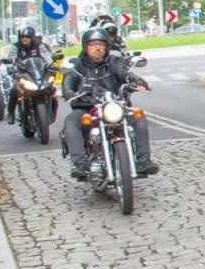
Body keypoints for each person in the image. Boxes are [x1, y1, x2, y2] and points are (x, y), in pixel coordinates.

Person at [61, 28, 158, 178]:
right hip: (87, 107)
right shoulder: (78, 65)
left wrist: (138, 82)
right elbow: (69, 80)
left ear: (107, 46)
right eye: (93, 45)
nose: (97, 48)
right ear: (85, 47)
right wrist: (69, 92)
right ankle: (80, 164)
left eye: (101, 44)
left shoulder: (114, 62)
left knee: (138, 116)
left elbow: (126, 74)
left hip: (114, 105)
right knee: (70, 121)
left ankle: (143, 161)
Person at [5, 26, 52, 124]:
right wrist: (10, 67)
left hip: (38, 73)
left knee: (51, 89)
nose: (24, 39)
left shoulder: (38, 45)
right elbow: (11, 57)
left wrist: (51, 64)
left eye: (27, 36)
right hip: (23, 73)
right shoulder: (15, 46)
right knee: (14, 90)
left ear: (32, 37)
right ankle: (11, 113)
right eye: (22, 37)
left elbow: (46, 55)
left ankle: (51, 109)